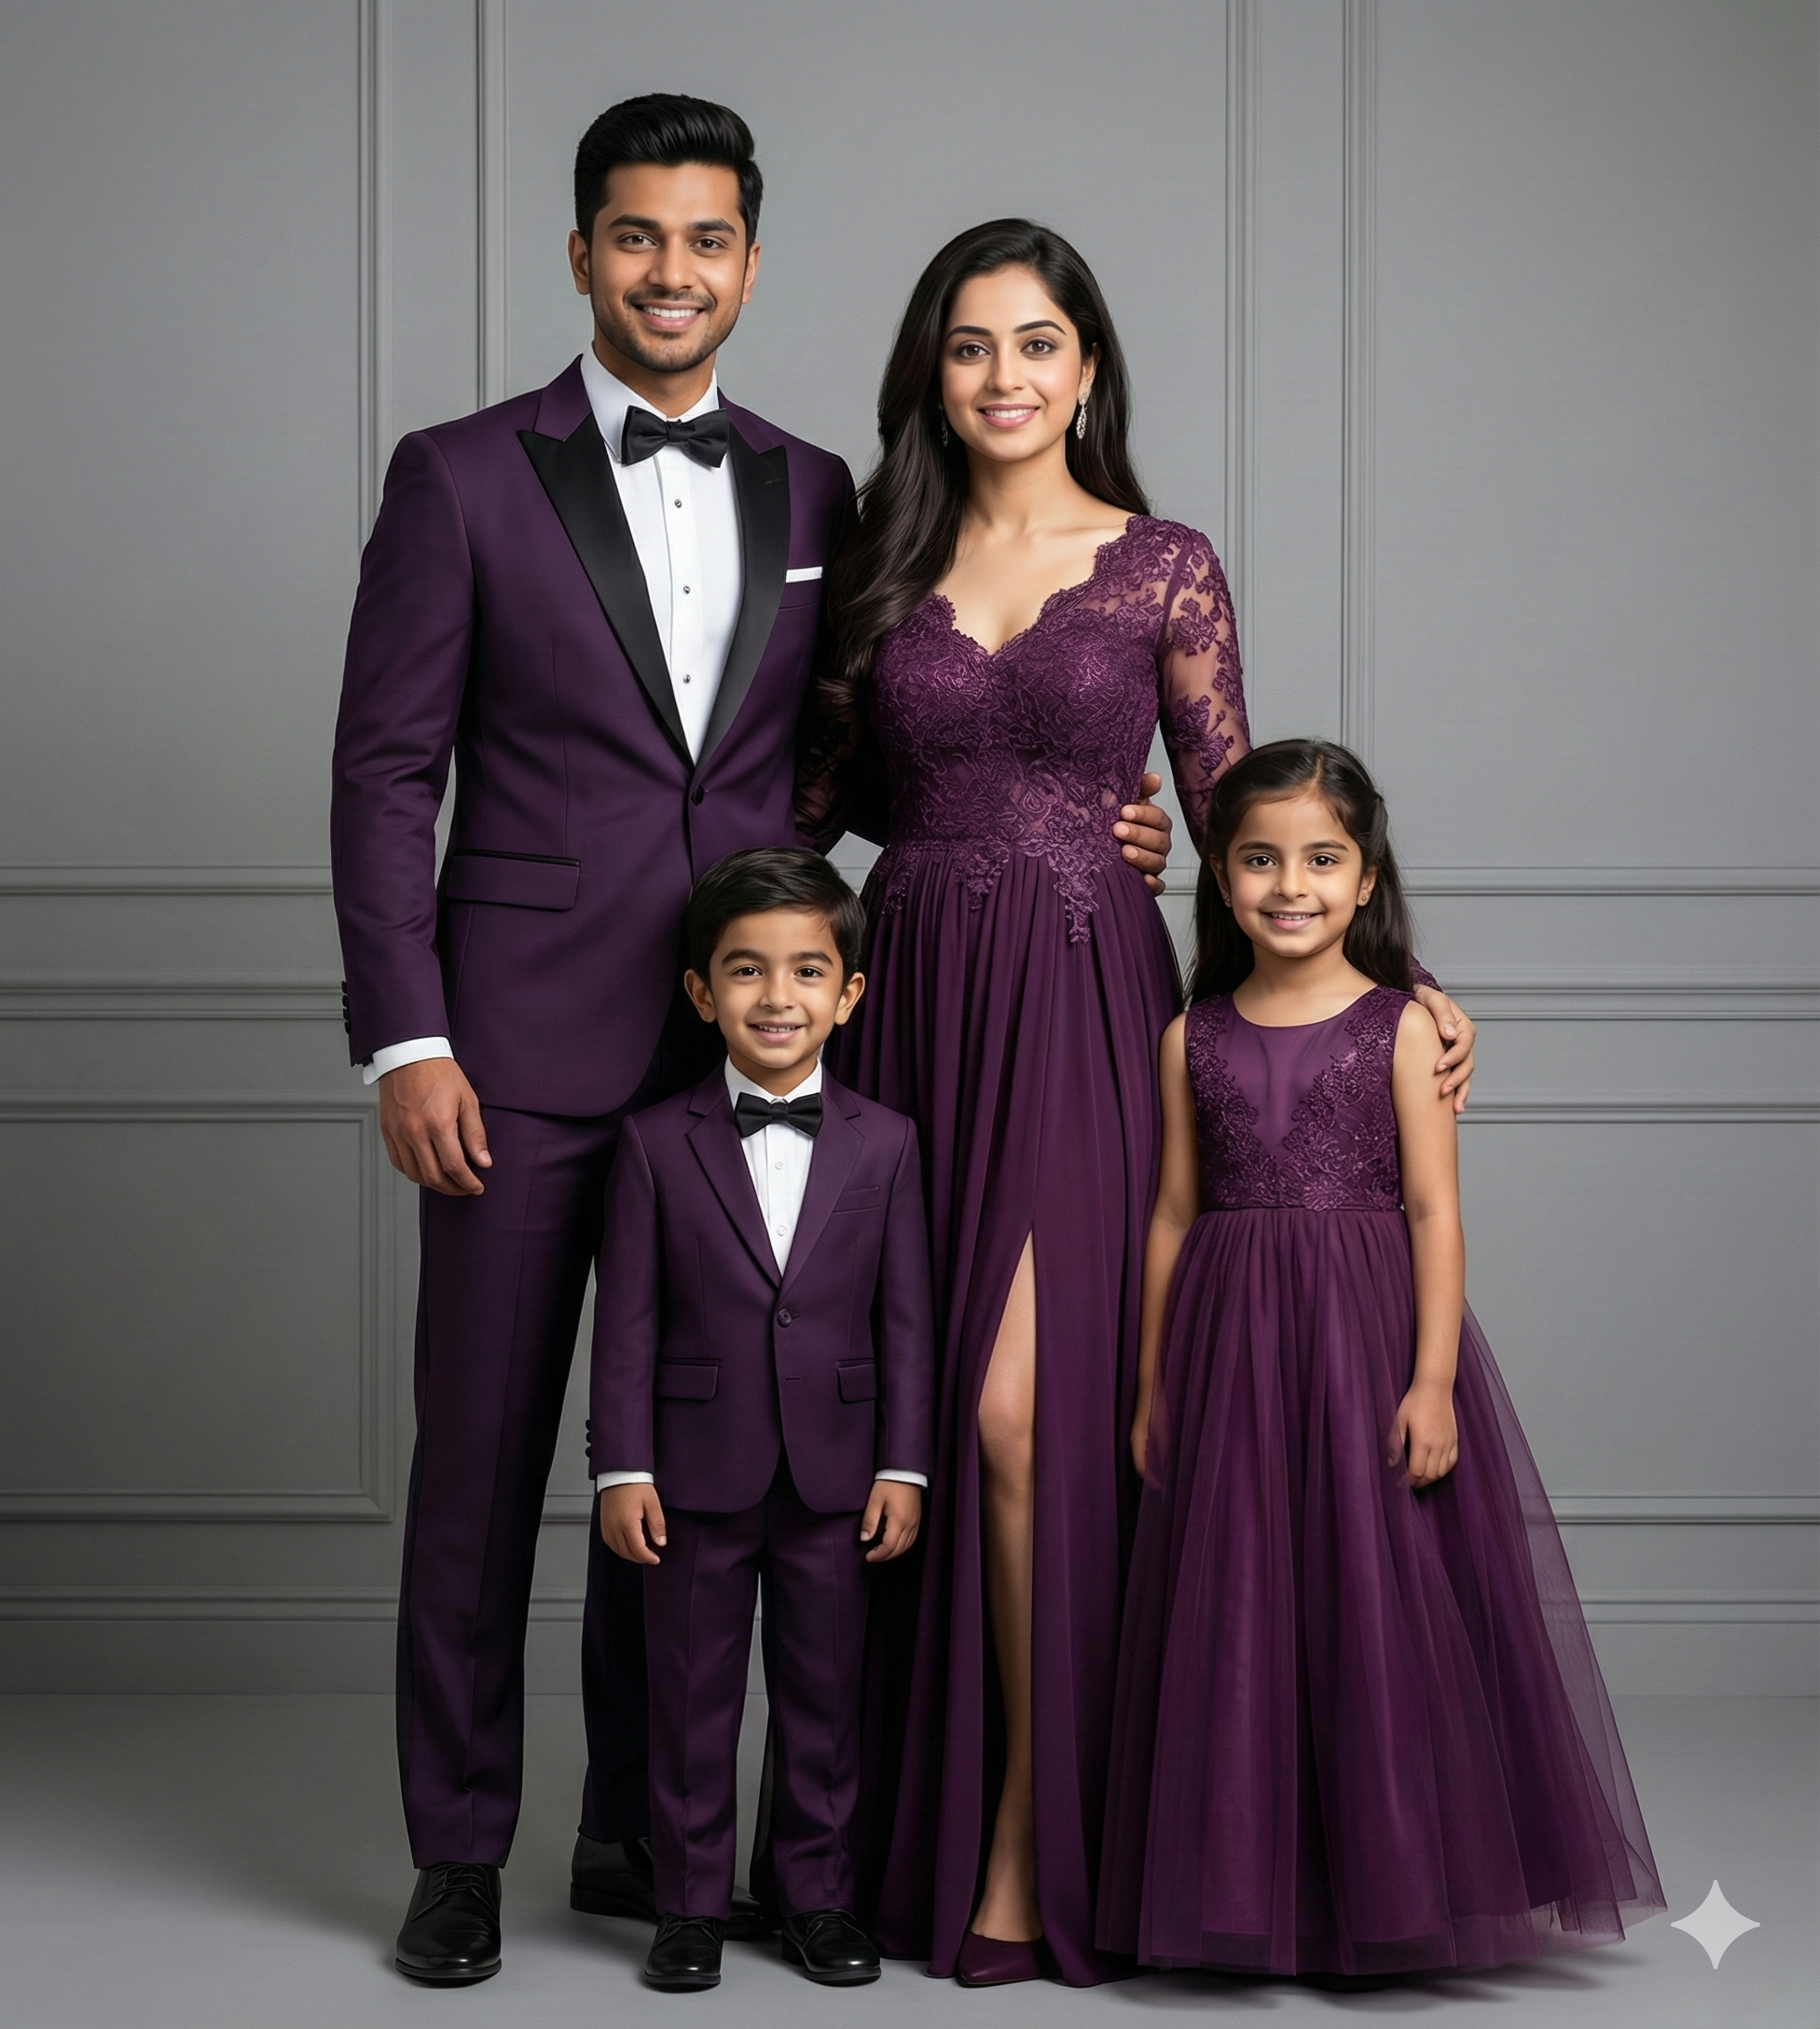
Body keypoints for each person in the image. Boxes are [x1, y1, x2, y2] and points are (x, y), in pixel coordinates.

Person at [332, 97, 1174, 1982]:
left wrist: (1092, 817)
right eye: (635, 237)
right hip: (518, 1045)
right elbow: (388, 768)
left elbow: (882, 760)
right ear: (581, 256)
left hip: (751, 1060)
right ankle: (457, 1850)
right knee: (480, 1458)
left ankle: (643, 1828)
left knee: (701, 1463)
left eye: (705, 239)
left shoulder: (816, 494)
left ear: (749, 262)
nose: (670, 271)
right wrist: (408, 1038)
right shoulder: (462, 476)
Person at [796, 221, 1482, 1986]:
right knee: (923, 1429)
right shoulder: (874, 555)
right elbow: (802, 815)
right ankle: (883, 1835)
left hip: (1092, 1012)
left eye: (1037, 342)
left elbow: (1248, 817)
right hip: (913, 1010)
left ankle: (1036, 1834)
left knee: (1030, 1422)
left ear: (1088, 366)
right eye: (968, 346)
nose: (1003, 376)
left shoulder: (1165, 563)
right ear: (930, 373)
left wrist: (1402, 975)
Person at [1098, 739, 1663, 1980]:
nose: (1288, 884)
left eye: (1320, 859)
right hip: (1230, 1342)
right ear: (1221, 875)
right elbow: (1172, 1213)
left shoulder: (1403, 1026)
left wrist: (1426, 1379)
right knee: (1242, 1600)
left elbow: (1433, 1211)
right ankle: (1256, 1886)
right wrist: (1149, 1383)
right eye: (1258, 858)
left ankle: (1393, 1883)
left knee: (1374, 1591)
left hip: (1366, 1337)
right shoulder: (1187, 1033)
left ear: (1364, 881)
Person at [590, 849, 935, 1993]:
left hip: (840, 1475)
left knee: (823, 1697)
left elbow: (906, 1321)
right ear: (700, 992)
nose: (774, 997)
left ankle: (816, 1897)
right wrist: (619, 1469)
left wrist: (906, 1465)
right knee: (690, 1698)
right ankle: (686, 1909)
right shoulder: (649, 1141)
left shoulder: (887, 1142)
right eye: (744, 971)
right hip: (691, 1473)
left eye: (803, 973)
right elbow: (626, 1322)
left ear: (849, 994)